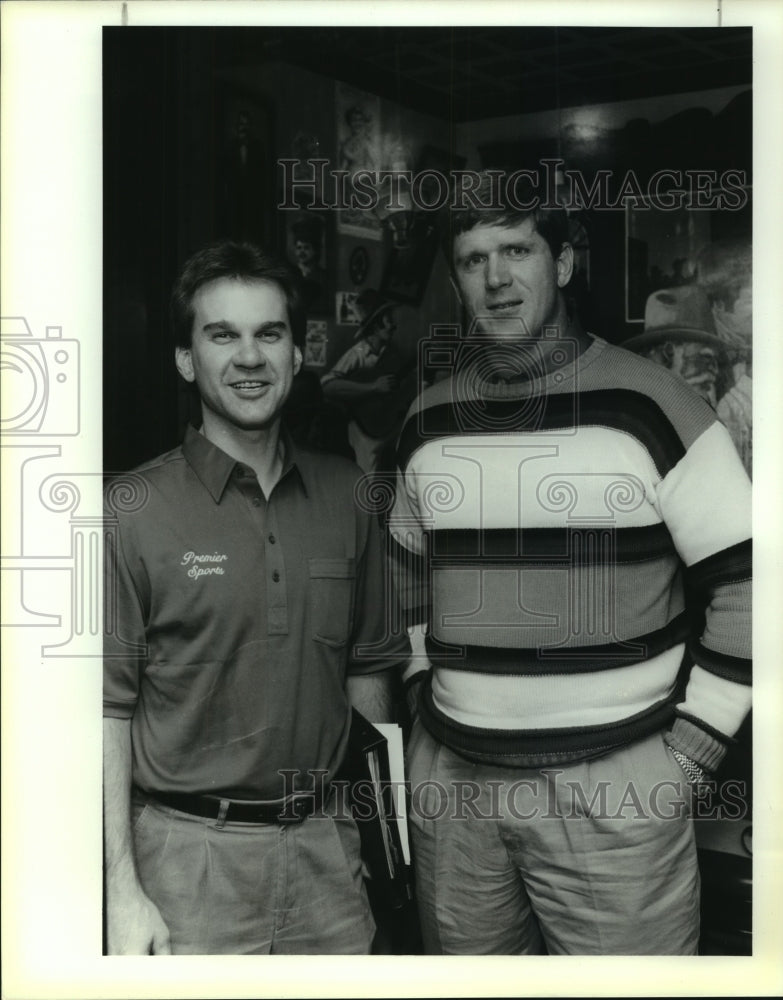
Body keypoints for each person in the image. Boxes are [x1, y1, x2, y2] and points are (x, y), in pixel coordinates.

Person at [389, 173, 752, 955]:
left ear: (561, 263)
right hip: (455, 783)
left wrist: (692, 749)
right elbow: (403, 570)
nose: (495, 277)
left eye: (515, 249)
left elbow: (751, 586)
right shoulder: (426, 420)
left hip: (616, 781)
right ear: (455, 278)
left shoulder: (655, 405)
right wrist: (421, 689)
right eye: (472, 258)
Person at [103, 240, 410, 955]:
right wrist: (119, 884)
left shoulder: (348, 496)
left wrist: (377, 842)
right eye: (222, 336)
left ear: (298, 355)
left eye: (269, 334)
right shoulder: (130, 509)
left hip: (329, 856)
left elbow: (368, 679)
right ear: (186, 360)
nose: (249, 357)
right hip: (186, 863)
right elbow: (105, 710)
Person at [321, 289, 414, 473]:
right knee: (368, 477)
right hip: (364, 429)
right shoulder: (358, 354)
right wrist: (372, 388)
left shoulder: (393, 354)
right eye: (388, 319)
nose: (393, 325)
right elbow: (327, 386)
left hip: (388, 426)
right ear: (375, 325)